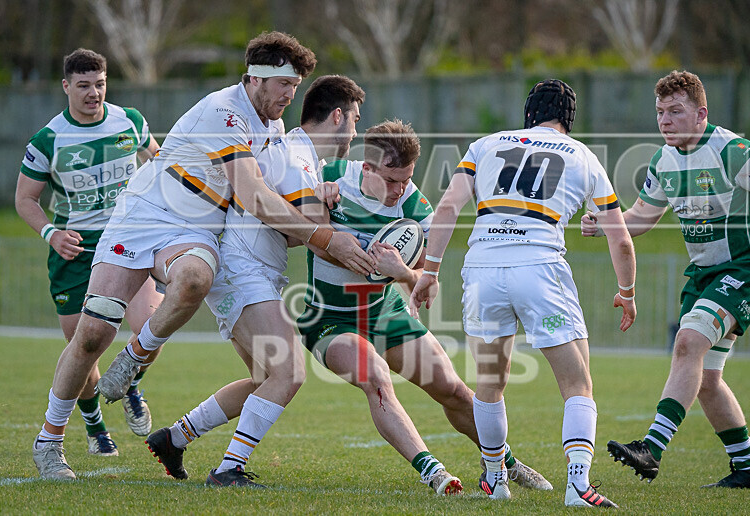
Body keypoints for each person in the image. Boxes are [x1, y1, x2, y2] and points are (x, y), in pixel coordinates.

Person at [32, 32, 373, 480]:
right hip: (145, 212)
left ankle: (136, 356)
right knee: (93, 334)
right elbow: (252, 195)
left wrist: (319, 199)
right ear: (255, 79)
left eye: (296, 86)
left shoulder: (271, 126)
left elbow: (278, 200)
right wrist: (327, 240)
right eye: (285, 84)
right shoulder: (225, 111)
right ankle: (49, 442)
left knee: (195, 280)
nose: (292, 96)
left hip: (197, 227)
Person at [293, 119, 552, 496]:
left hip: (387, 313)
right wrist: (316, 191)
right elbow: (287, 195)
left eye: (407, 179)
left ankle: (504, 463)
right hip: (330, 319)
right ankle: (433, 472)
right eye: (392, 180)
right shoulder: (331, 175)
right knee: (376, 378)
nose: (401, 191)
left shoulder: (416, 206)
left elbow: (427, 287)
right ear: (367, 168)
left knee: (455, 391)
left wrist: (402, 272)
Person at [410, 80, 637, 507]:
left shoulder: (484, 145)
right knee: (577, 385)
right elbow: (620, 239)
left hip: (483, 269)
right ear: (568, 121)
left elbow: (447, 208)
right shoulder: (585, 157)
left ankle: (495, 480)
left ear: (527, 114)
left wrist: (430, 270)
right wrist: (626, 291)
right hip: (539, 267)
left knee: (489, 385)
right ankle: (577, 486)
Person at [145, 74, 366, 488]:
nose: (356, 130)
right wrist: (374, 259)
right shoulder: (299, 156)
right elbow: (320, 244)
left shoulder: (300, 154)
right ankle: (228, 469)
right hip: (243, 272)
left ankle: (173, 438)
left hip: (243, 271)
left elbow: (290, 230)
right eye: (355, 119)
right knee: (290, 373)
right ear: (338, 116)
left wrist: (325, 200)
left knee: (264, 381)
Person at [582, 70, 750, 489]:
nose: (665, 120)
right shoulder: (663, 161)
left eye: (676, 112)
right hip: (704, 275)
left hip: (747, 269)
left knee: (688, 343)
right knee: (706, 379)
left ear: (701, 114)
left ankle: (652, 448)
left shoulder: (736, 152)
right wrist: (606, 223)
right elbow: (641, 218)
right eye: (660, 112)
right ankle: (748, 469)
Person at [17, 48, 162, 458]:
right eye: (83, 86)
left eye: (99, 84)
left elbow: (157, 160)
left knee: (152, 323)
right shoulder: (48, 139)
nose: (93, 93)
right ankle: (95, 425)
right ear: (66, 87)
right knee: (83, 349)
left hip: (129, 240)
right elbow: (25, 198)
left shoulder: (129, 121)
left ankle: (131, 381)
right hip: (74, 252)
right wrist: (51, 233)